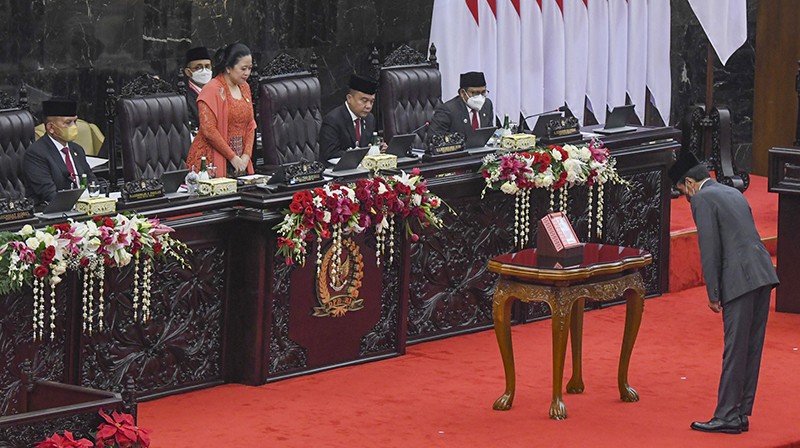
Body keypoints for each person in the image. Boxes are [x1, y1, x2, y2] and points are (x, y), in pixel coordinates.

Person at [668, 151, 779, 435]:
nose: (685, 197)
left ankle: (727, 414)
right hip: (763, 273)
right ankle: (741, 412)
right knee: (751, 348)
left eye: (682, 191)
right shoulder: (732, 192)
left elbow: (709, 247)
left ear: (690, 183)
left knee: (734, 349)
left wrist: (713, 292)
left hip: (739, 279)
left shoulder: (703, 199)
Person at [185, 43, 256, 177]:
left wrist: (246, 156)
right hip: (212, 162)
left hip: (240, 162)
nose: (247, 73)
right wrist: (232, 157)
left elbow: (250, 125)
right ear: (228, 68)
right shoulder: (212, 89)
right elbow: (209, 130)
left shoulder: (245, 87)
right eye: (243, 68)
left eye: (250, 68)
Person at [23, 98, 99, 204]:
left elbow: (92, 182)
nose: (74, 127)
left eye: (75, 121)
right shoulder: (36, 153)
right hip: (54, 212)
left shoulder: (77, 149)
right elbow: (48, 193)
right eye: (68, 123)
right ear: (51, 127)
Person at [319, 74, 379, 163]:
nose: (369, 106)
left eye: (372, 101)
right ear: (349, 98)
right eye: (364, 101)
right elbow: (330, 154)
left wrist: (377, 147)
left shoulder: (370, 119)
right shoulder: (333, 120)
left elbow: (368, 145)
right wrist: (359, 154)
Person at [429, 71, 494, 139]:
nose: (480, 97)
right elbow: (434, 138)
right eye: (475, 93)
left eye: (483, 92)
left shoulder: (487, 105)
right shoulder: (448, 110)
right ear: (462, 93)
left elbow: (488, 133)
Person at [184, 46, 213, 130]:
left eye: (207, 66)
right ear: (188, 72)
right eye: (198, 67)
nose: (204, 71)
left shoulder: (219, 91)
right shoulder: (185, 96)